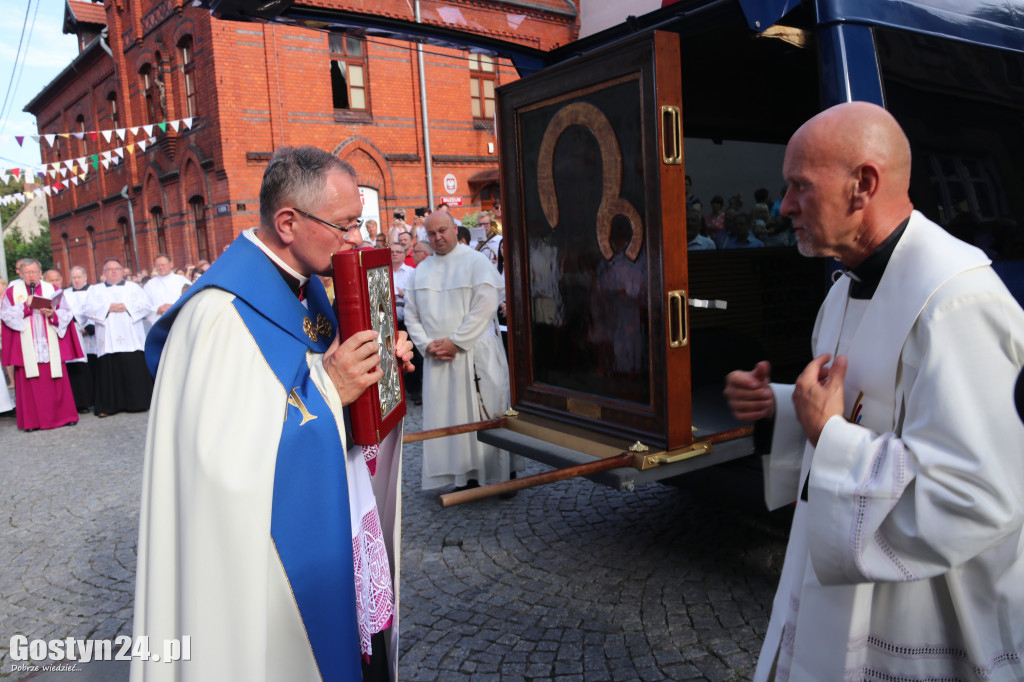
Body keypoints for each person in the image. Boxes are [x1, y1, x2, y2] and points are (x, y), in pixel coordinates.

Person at [723, 102, 1024, 681]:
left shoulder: (958, 301)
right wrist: (782, 408)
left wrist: (828, 435)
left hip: (923, 615)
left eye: (799, 186)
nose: (784, 205)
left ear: (863, 184)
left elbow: (979, 493)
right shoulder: (842, 290)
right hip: (836, 594)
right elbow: (860, 411)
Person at [132, 146, 413, 682]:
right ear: (288, 222)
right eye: (347, 225)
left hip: (339, 519)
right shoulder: (218, 314)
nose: (358, 239)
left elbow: (330, 398)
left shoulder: (309, 290)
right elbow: (225, 468)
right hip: (262, 569)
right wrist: (331, 388)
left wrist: (383, 376)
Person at [404, 210, 523, 491]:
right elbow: (411, 316)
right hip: (440, 360)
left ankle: (504, 475)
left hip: (476, 354)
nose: (438, 237)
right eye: (432, 234)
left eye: (443, 231)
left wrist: (456, 342)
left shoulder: (476, 262)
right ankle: (464, 476)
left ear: (455, 230)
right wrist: (427, 346)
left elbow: (485, 305)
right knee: (452, 419)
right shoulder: (421, 272)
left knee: (489, 413)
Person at [0, 259, 81, 430]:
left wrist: (53, 314)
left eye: (34, 272)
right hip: (27, 344)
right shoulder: (12, 292)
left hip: (49, 342)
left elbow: (66, 312)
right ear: (20, 274)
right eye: (27, 272)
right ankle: (32, 422)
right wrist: (25, 306)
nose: (31, 276)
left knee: (56, 379)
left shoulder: (52, 289)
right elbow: (5, 315)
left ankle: (65, 417)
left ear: (40, 272)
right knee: (31, 382)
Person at [83, 258, 154, 417]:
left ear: (122, 271)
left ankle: (138, 403)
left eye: (117, 269)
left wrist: (126, 307)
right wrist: (107, 308)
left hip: (131, 338)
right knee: (109, 372)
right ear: (104, 273)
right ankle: (108, 406)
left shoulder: (133, 288)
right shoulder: (95, 290)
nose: (113, 272)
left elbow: (146, 306)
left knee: (133, 368)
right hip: (108, 340)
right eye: (109, 269)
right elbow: (87, 310)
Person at [62, 266, 97, 413]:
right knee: (78, 369)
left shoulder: (94, 291)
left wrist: (88, 329)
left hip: (92, 336)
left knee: (94, 367)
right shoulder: (65, 293)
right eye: (73, 277)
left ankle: (95, 399)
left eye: (79, 277)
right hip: (74, 335)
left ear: (85, 277)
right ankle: (82, 401)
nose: (76, 280)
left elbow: (97, 310)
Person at [391, 242, 421, 405]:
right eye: (392, 252)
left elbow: (417, 297)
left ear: (404, 254)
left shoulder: (412, 272)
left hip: (407, 321)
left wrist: (402, 296)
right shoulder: (384, 270)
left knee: (411, 356)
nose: (395, 254)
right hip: (389, 320)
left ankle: (415, 391)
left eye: (398, 252)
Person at [143, 254, 192, 329]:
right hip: (160, 324)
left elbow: (191, 299)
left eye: (163, 264)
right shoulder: (150, 285)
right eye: (158, 265)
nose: (160, 267)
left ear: (171, 264)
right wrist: (157, 309)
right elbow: (144, 305)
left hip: (180, 321)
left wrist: (175, 307)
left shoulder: (182, 281)